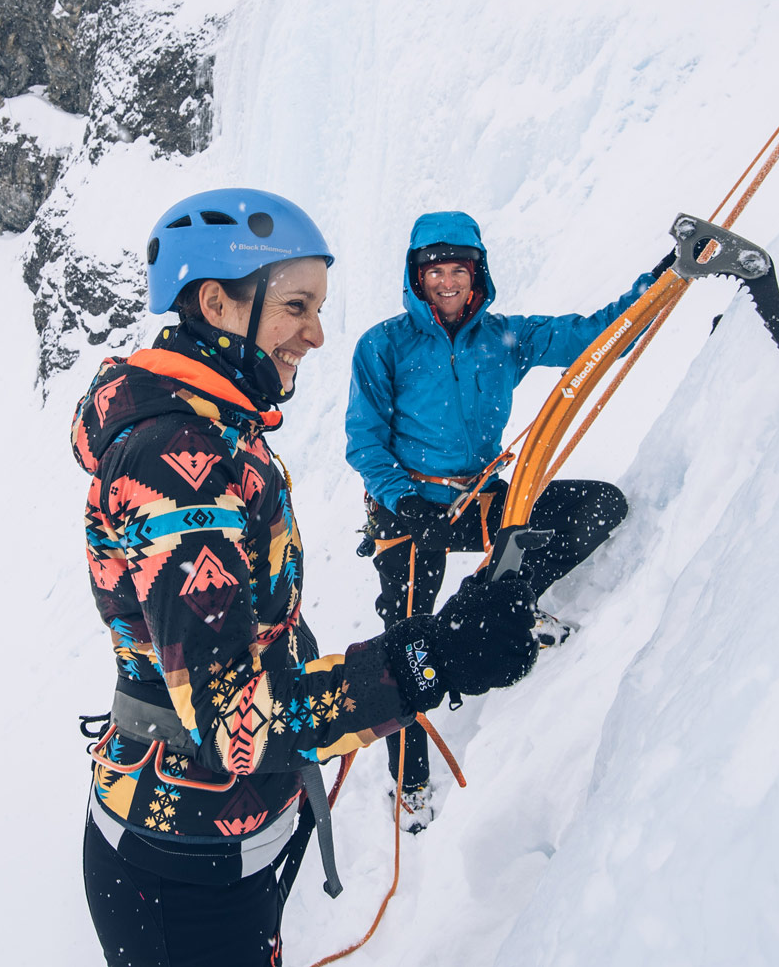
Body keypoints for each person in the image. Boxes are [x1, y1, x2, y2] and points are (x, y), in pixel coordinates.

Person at [74, 189, 540, 967]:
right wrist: (433, 658)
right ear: (218, 302)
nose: (317, 335)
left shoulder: (219, 427)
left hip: (213, 836)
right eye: (296, 305)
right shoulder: (176, 463)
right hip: (184, 857)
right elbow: (235, 725)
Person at [345, 210, 661, 830]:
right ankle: (409, 784)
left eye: (457, 270)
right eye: (434, 270)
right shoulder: (383, 346)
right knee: (406, 646)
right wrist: (406, 501)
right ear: (416, 276)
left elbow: (598, 336)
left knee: (598, 505)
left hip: (483, 499)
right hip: (407, 513)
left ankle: (505, 601)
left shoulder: (504, 338)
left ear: (476, 274)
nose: (446, 281)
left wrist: (665, 278)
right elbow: (364, 442)